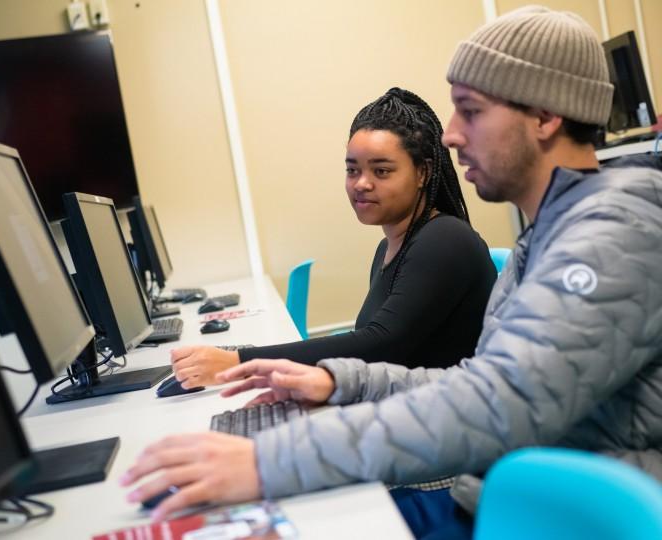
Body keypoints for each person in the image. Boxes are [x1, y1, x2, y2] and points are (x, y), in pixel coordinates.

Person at [120, 6, 662, 539]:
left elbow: (497, 404)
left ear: (546, 116)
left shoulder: (612, 236)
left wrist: (269, 460)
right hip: (505, 498)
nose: (450, 135)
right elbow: (481, 379)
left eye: (470, 111)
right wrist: (340, 380)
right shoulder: (552, 232)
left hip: (544, 516)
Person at [171, 88, 497, 387]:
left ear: (422, 172)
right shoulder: (390, 245)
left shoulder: (445, 240)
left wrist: (240, 361)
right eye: (352, 170)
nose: (361, 184)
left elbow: (381, 342)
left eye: (381, 171)